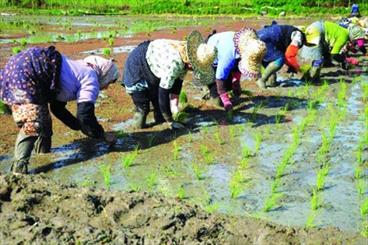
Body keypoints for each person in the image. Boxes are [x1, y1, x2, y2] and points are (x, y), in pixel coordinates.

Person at [0, 46, 120, 174]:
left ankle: (43, 155)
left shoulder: (75, 71)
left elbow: (57, 108)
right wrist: (102, 135)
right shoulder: (90, 78)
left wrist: (77, 125)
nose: (107, 87)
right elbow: (85, 116)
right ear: (105, 75)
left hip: (24, 67)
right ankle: (18, 170)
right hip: (27, 71)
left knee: (44, 118)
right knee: (33, 121)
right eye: (110, 82)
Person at [122, 31, 216, 129]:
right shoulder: (174, 63)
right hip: (137, 66)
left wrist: (174, 108)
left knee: (158, 104)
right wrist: (171, 121)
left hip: (154, 66)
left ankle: (161, 121)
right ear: (191, 62)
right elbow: (164, 93)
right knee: (143, 107)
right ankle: (138, 131)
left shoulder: (186, 57)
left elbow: (177, 84)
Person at [205, 28, 266, 113]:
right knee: (218, 100)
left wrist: (236, 81)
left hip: (225, 46)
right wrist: (226, 102)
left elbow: (238, 63)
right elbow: (219, 78)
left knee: (229, 86)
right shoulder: (228, 55)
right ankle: (210, 94)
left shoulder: (251, 46)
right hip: (210, 54)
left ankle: (224, 91)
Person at [255, 21, 306, 89]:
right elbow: (289, 55)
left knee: (273, 58)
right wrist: (296, 67)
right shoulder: (299, 36)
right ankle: (262, 80)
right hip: (266, 40)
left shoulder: (288, 31)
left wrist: (290, 65)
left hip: (258, 37)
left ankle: (271, 82)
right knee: (280, 59)